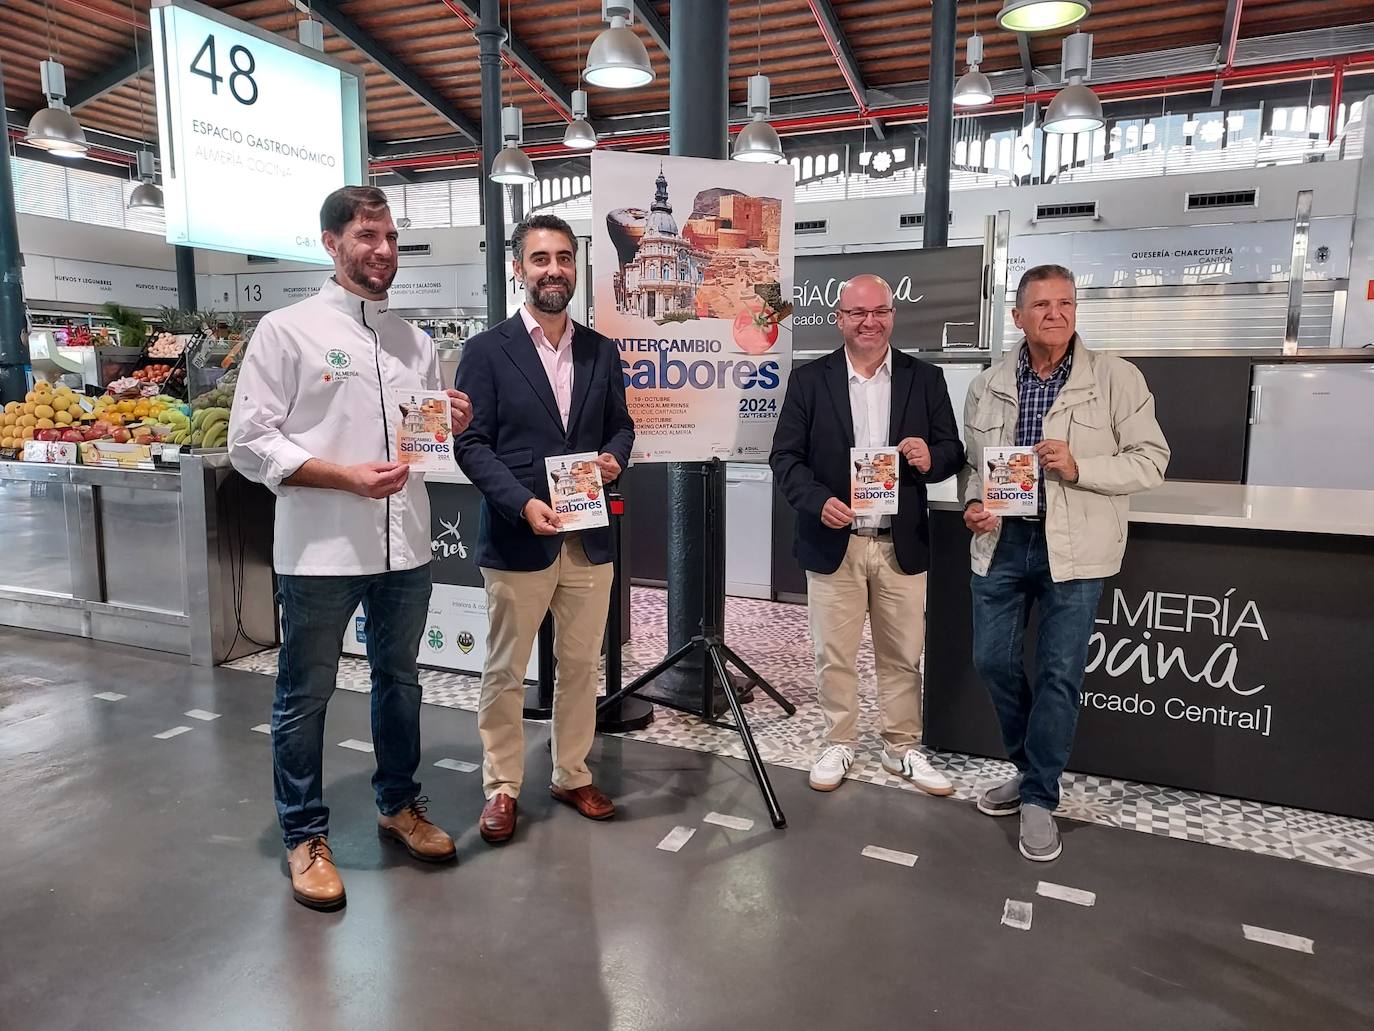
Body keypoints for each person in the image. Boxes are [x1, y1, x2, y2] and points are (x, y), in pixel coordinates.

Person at [228, 186, 474, 910]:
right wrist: (342, 477)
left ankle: (399, 804)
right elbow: (250, 443)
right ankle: (305, 833)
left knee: (401, 682)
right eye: (369, 236)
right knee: (305, 695)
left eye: (392, 237)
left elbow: (419, 441)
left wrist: (448, 417)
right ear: (331, 242)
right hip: (321, 551)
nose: (384, 251)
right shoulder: (285, 331)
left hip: (406, 548)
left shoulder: (414, 341)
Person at [958, 263, 1169, 862]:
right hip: (1003, 543)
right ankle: (1032, 776)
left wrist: (1080, 468)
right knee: (991, 660)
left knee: (1058, 674)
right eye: (1043, 305)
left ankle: (1039, 798)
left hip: (1076, 548)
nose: (1056, 314)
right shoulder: (989, 381)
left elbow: (1151, 461)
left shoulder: (1117, 379)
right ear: (1018, 315)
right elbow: (976, 464)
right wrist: (974, 502)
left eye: (1066, 303)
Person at [455, 214, 634, 845]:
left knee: (581, 665)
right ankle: (501, 786)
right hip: (517, 536)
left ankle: (570, 770)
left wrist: (614, 458)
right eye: (540, 259)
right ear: (518, 268)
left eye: (563, 257)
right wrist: (521, 505)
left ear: (576, 268)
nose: (553, 269)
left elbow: (621, 426)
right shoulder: (485, 351)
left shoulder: (600, 349)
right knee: (505, 669)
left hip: (588, 539)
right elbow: (471, 445)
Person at [770, 274, 964, 796]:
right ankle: (839, 740)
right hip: (836, 540)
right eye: (858, 313)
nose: (870, 322)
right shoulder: (810, 381)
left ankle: (903, 748)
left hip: (902, 542)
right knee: (833, 653)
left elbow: (953, 451)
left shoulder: (925, 379)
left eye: (879, 311)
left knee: (903, 654)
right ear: (840, 318)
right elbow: (784, 458)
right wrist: (817, 501)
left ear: (892, 316)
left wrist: (931, 458)